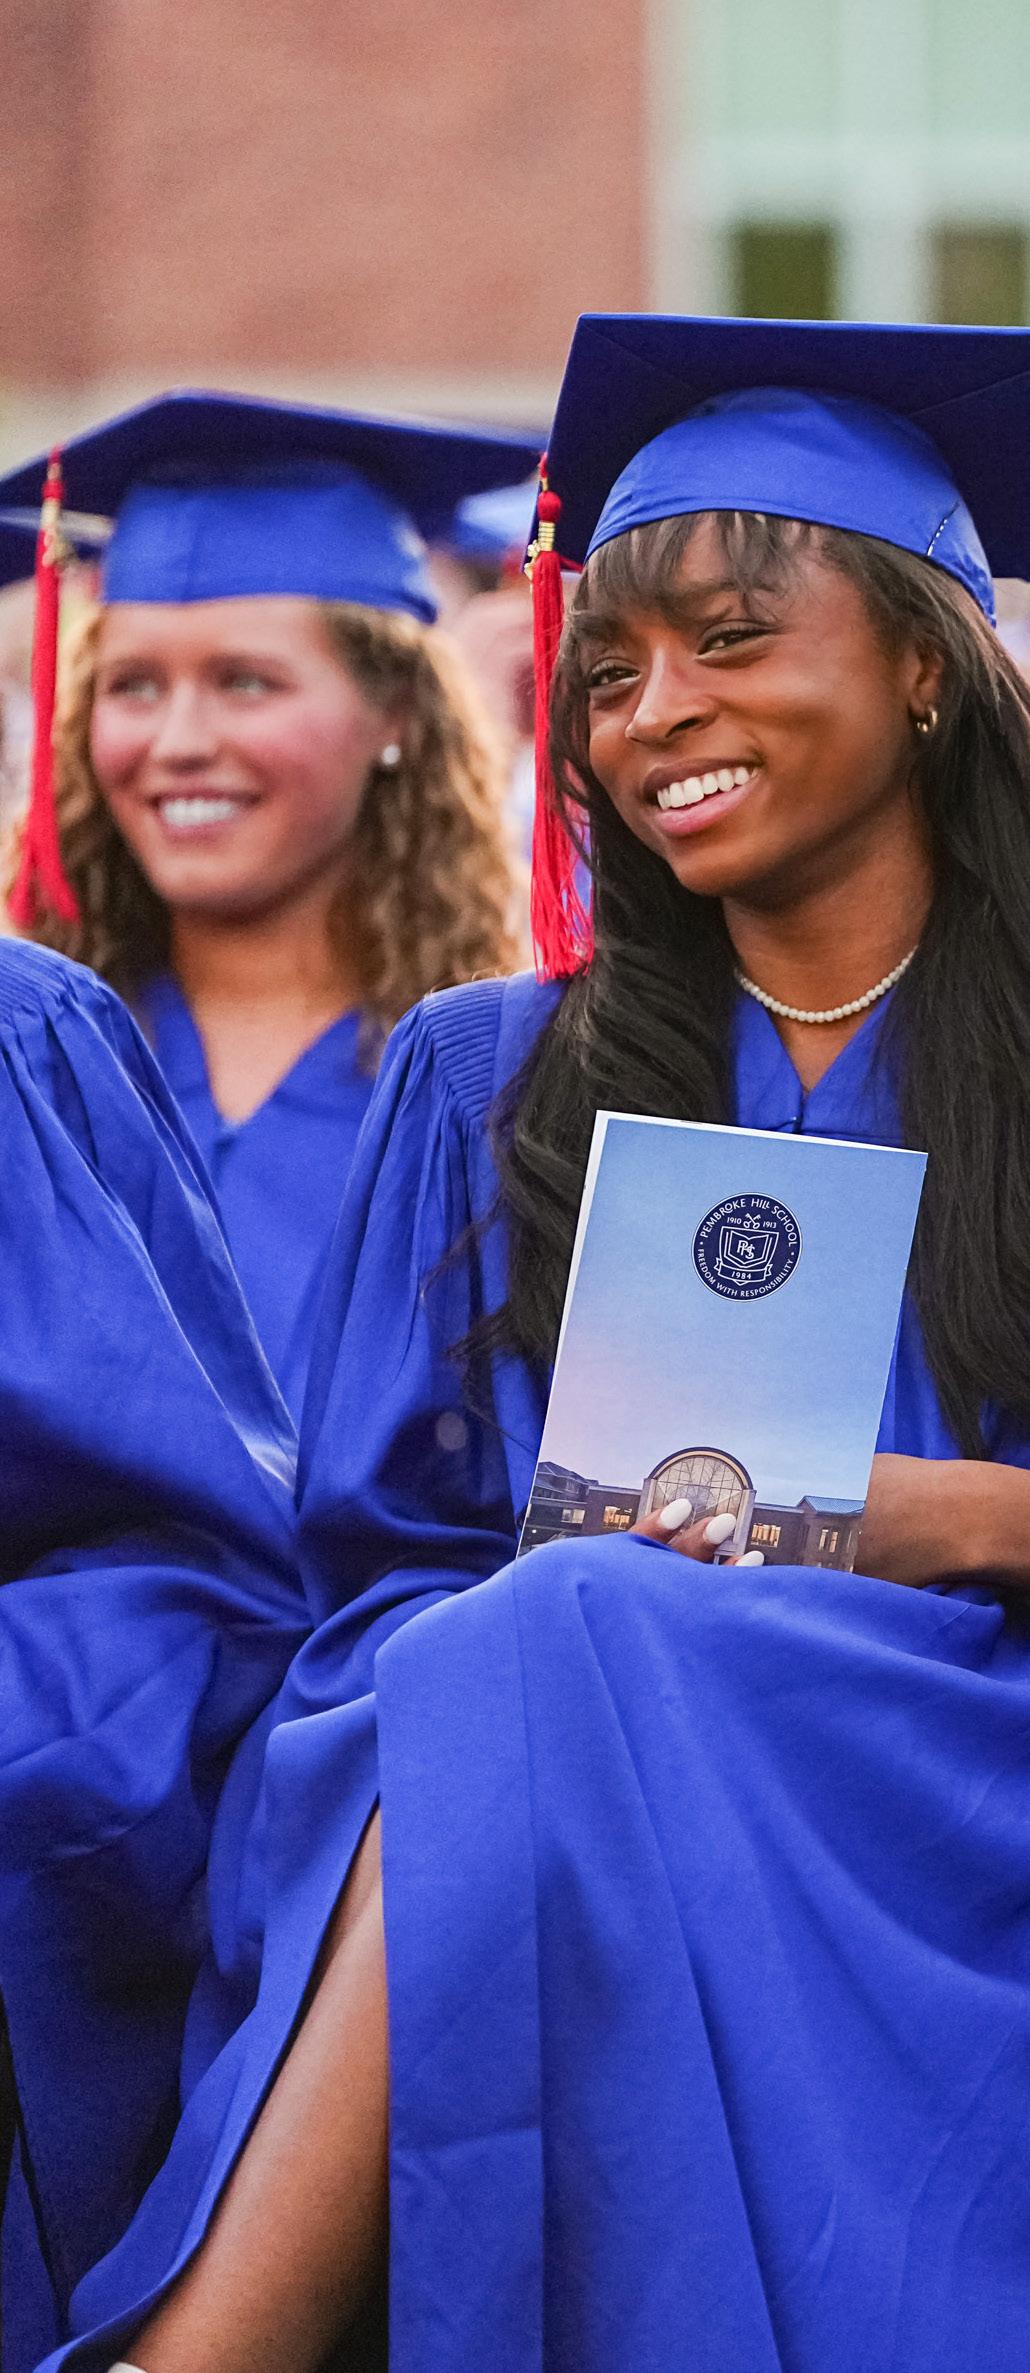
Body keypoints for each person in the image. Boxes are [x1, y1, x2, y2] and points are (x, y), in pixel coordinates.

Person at [49, 312, 1030, 2373]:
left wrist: (922, 1518)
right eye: (607, 672)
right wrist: (587, 1616)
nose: (655, 712)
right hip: (576, 1784)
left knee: (568, 1636)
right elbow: (365, 1590)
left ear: (926, 666)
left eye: (731, 640)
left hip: (968, 1787)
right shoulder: (489, 1081)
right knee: (531, 1643)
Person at [0, 395, 534, 1415]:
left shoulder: (504, 1086)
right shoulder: (27, 1062)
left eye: (246, 683)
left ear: (396, 715)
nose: (178, 742)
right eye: (133, 686)